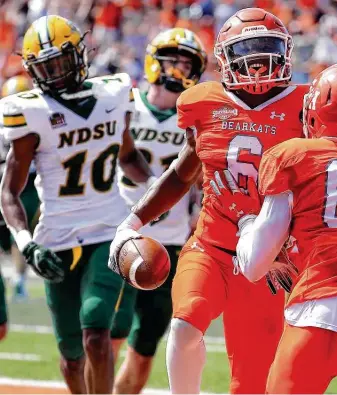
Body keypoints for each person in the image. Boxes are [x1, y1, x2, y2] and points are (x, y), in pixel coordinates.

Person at [109, 8, 308, 394]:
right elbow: (183, 172)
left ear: (286, 52)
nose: (258, 61)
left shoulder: (305, 107)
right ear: (225, 58)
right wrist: (132, 222)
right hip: (211, 244)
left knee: (250, 381)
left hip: (269, 259)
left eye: (267, 49)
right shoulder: (203, 102)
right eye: (247, 50)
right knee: (184, 324)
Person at [210, 63, 337, 394]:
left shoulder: (296, 156)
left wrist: (244, 223)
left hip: (315, 311)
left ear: (318, 114)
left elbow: (256, 264)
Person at [0, 15, 154, 394]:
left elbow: (129, 156)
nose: (54, 74)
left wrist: (154, 189)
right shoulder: (29, 110)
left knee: (96, 334)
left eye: (60, 62)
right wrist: (26, 243)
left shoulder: (114, 93)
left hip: (108, 229)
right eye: (44, 67)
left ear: (79, 54)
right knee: (71, 356)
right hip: (55, 237)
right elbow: (9, 191)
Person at [110, 27, 206, 394]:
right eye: (173, 59)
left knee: (145, 347)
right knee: (108, 336)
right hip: (125, 237)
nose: (180, 69)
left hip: (173, 245)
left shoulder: (198, 117)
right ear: (153, 61)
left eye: (187, 62)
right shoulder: (126, 106)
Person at [0, 75, 37, 301]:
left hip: (23, 182)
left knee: (19, 235)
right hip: (21, 181)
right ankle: (18, 281)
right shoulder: (32, 120)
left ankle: (19, 281)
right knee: (18, 234)